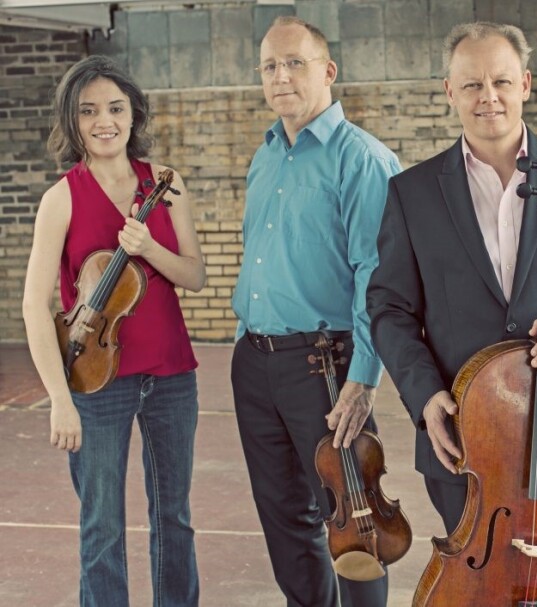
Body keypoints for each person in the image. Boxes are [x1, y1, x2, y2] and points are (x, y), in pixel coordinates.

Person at [367, 21, 537, 601]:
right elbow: (390, 308)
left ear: (524, 83)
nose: (487, 96)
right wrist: (425, 397)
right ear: (448, 91)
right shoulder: (411, 192)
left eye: (500, 80)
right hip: (469, 441)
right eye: (471, 84)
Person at [230, 16, 401, 607]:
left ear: (328, 71)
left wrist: (362, 380)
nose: (281, 76)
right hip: (254, 363)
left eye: (294, 63)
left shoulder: (363, 161)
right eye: (270, 66)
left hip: (325, 367)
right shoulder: (266, 156)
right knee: (283, 519)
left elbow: (376, 280)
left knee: (352, 518)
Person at [21, 55, 205, 606]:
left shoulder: (166, 186)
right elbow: (35, 306)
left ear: (133, 114)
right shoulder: (61, 198)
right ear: (72, 121)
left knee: (174, 516)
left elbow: (194, 275)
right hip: (95, 381)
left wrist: (150, 248)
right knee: (102, 524)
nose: (105, 120)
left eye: (116, 108)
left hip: (172, 375)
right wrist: (59, 398)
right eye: (89, 110)